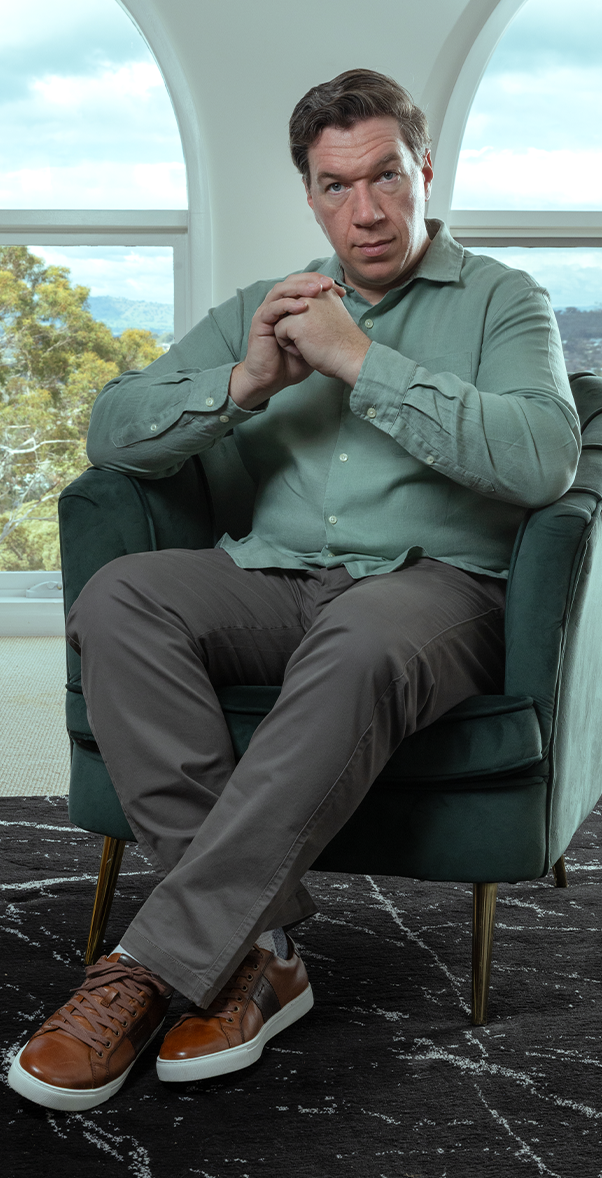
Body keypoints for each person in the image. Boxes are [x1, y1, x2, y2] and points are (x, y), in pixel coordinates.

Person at [8, 69, 580, 1111]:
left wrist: (361, 362)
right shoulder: (266, 309)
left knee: (358, 643)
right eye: (333, 186)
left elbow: (542, 459)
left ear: (423, 169)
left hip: (432, 586)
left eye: (383, 178)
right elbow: (111, 429)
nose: (363, 210)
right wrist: (241, 386)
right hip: (269, 578)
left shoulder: (504, 300)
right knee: (122, 599)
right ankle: (256, 949)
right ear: (307, 191)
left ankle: (150, 962)